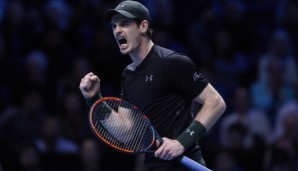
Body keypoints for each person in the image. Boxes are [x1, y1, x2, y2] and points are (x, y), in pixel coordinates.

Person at [79, 1, 226, 171]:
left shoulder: (172, 62)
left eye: (125, 23)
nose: (117, 30)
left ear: (143, 26)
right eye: (114, 26)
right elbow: (127, 134)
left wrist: (181, 142)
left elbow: (215, 102)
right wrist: (94, 99)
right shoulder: (128, 75)